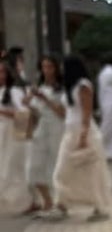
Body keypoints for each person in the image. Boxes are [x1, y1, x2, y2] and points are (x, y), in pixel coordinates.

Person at [50, 53, 112, 220]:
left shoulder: (83, 85)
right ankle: (62, 204)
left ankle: (99, 207)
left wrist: (84, 135)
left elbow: (87, 112)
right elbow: (67, 112)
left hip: (83, 132)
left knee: (91, 172)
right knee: (62, 170)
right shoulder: (70, 87)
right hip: (70, 131)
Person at [25, 54, 65, 215]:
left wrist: (45, 99)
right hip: (41, 128)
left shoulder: (61, 89)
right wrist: (28, 103)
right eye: (43, 67)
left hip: (57, 127)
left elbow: (62, 113)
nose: (46, 70)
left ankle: (61, 202)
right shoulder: (40, 87)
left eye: (50, 67)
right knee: (34, 165)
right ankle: (47, 201)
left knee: (56, 164)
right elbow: (37, 112)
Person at [0, 55, 32, 214]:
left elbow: (23, 113)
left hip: (12, 132)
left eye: (2, 72)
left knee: (13, 166)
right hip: (2, 132)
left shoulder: (13, 91)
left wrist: (2, 112)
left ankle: (22, 200)